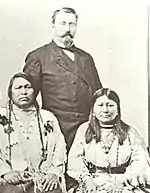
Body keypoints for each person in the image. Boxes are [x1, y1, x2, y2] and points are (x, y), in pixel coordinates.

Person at [23, 7, 102, 151]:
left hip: (86, 128)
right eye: (62, 23)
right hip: (56, 127)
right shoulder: (38, 56)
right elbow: (26, 97)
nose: (68, 28)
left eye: (72, 24)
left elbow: (99, 95)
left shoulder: (86, 58)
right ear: (53, 25)